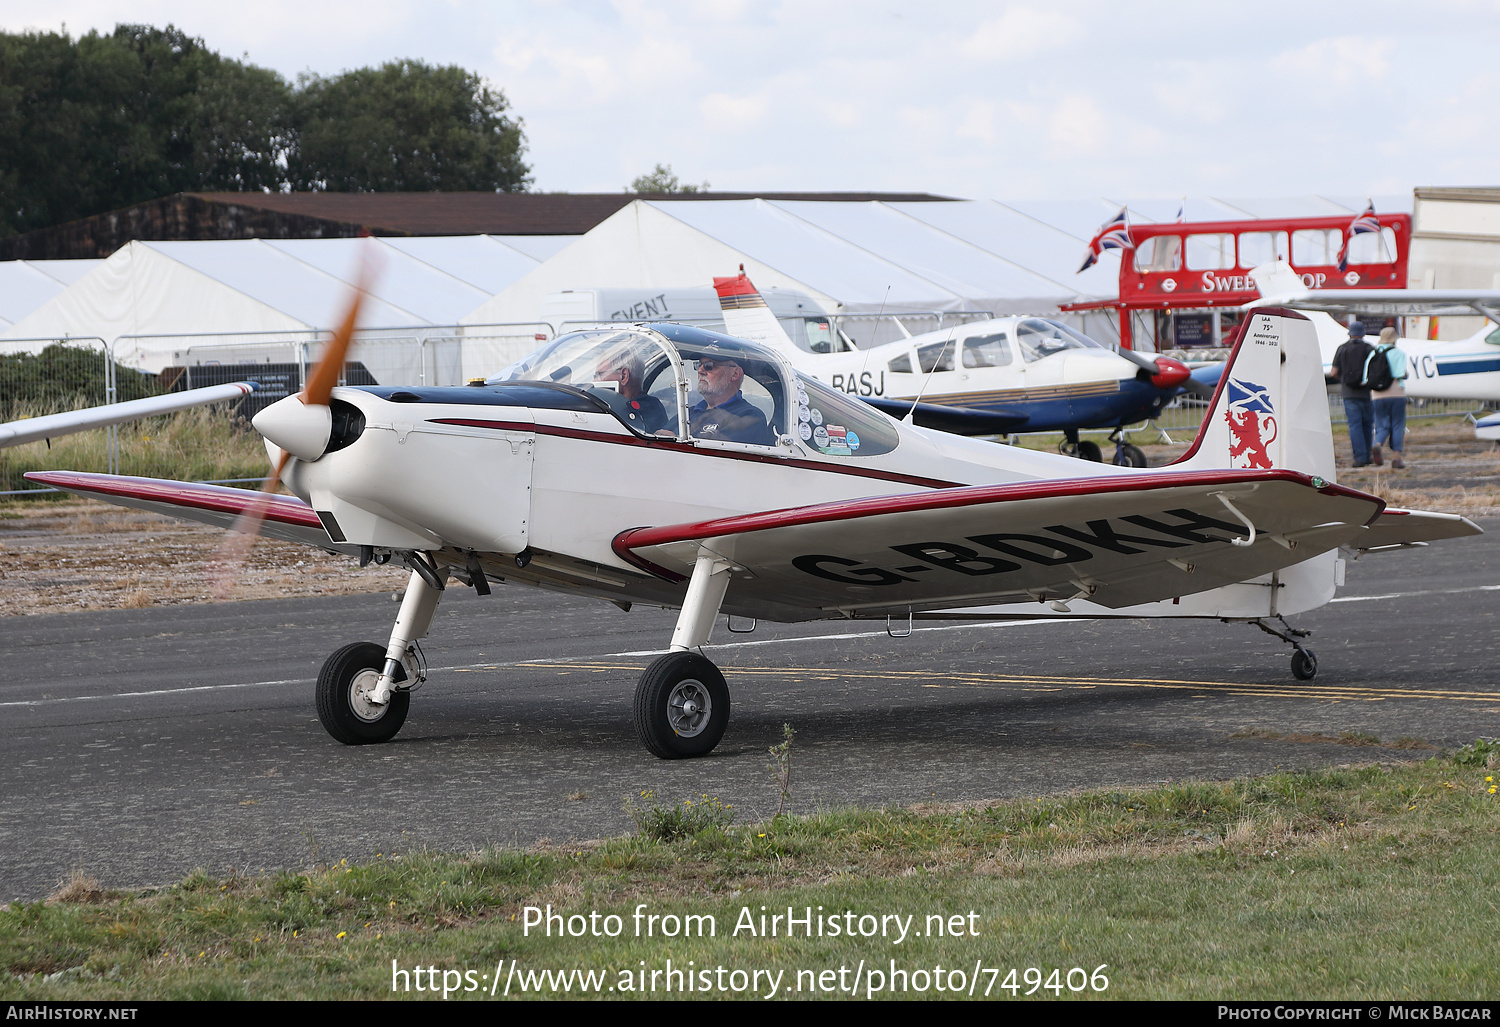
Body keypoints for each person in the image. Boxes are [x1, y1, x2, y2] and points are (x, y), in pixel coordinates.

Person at [688, 355, 775, 445]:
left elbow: (719, 454)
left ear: (735, 374)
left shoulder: (750, 416)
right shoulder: (687, 414)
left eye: (709, 366)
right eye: (699, 365)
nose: (700, 371)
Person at [1330, 319, 1375, 467]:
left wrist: (1344, 379)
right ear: (1363, 334)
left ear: (1350, 333)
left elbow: (1334, 372)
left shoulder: (1342, 349)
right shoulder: (1370, 349)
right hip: (1366, 392)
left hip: (1349, 393)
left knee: (1355, 426)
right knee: (1367, 425)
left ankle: (1359, 458)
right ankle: (1368, 456)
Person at [594, 347, 669, 434]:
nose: (594, 381)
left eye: (600, 375)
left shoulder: (647, 410)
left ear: (624, 375)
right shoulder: (654, 406)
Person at [1370, 326, 1408, 469]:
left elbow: (1365, 376)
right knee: (1397, 425)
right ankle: (1396, 458)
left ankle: (1377, 444)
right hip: (1396, 393)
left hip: (1377, 395)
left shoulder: (1372, 354)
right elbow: (1399, 374)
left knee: (1382, 425)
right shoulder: (1399, 353)